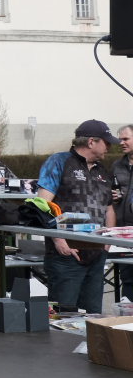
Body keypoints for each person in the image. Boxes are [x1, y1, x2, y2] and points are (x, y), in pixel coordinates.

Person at [37, 120, 118, 314]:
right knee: (63, 316)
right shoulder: (59, 161)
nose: (109, 147)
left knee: (93, 317)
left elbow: (109, 209)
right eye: (106, 142)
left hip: (96, 256)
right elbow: (42, 204)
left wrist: (106, 245)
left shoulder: (102, 171)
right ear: (91, 142)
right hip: (66, 255)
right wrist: (59, 240)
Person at [112, 125, 133, 301]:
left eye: (125, 139)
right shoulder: (117, 165)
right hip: (122, 232)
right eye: (120, 139)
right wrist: (113, 196)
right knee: (127, 279)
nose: (121, 142)